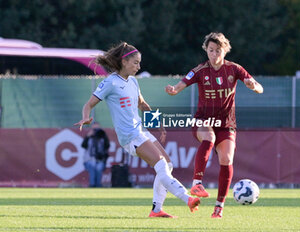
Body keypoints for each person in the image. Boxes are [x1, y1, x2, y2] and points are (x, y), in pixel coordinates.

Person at [75, 42, 200, 218]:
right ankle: (187, 198)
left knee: (168, 165)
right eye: (135, 62)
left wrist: (158, 125)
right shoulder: (110, 82)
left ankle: (156, 210)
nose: (139, 66)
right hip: (129, 136)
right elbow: (89, 104)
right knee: (162, 165)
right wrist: (85, 117)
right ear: (124, 61)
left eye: (139, 62)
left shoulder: (133, 81)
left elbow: (142, 104)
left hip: (140, 131)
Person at [165, 32, 263, 218]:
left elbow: (259, 87)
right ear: (206, 50)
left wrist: (253, 85)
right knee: (209, 138)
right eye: (211, 50)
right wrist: (173, 90)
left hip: (226, 123)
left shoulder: (235, 69)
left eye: (218, 50)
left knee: (226, 159)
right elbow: (180, 85)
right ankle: (197, 183)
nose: (214, 54)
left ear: (225, 51)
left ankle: (219, 207)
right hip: (203, 119)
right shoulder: (200, 70)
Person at [81, 122, 110, 187]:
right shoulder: (89, 137)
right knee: (92, 165)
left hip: (100, 160)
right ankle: (92, 185)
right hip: (89, 159)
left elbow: (107, 146)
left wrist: (103, 134)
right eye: (94, 129)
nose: (96, 131)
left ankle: (98, 185)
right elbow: (83, 145)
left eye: (97, 129)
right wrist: (88, 136)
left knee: (99, 168)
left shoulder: (102, 136)